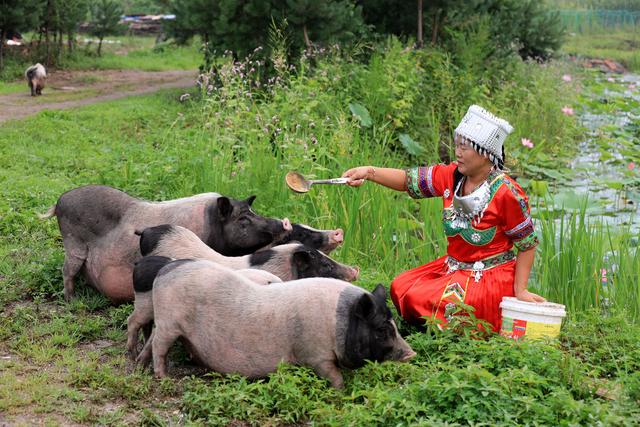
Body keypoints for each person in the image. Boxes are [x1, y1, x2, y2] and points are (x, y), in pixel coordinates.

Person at [342, 105, 545, 332]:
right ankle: (441, 324)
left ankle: (467, 324)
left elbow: (527, 244)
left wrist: (521, 290)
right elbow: (407, 181)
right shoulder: (452, 176)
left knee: (446, 305)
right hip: (453, 268)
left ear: (487, 153)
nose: (458, 152)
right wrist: (368, 172)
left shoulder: (507, 192)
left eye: (465, 147)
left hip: (489, 278)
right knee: (402, 288)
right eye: (457, 145)